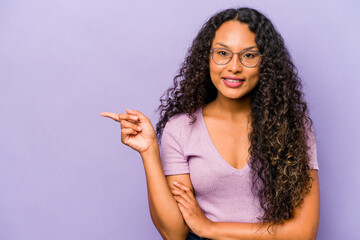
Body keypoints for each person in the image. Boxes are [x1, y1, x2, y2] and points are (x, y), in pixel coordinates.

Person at [101, 7, 320, 240]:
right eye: (222, 53)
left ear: (265, 64)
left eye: (248, 55)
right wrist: (149, 152)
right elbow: (175, 233)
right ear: (207, 58)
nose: (234, 66)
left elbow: (303, 233)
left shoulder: (293, 127)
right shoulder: (181, 129)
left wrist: (210, 228)